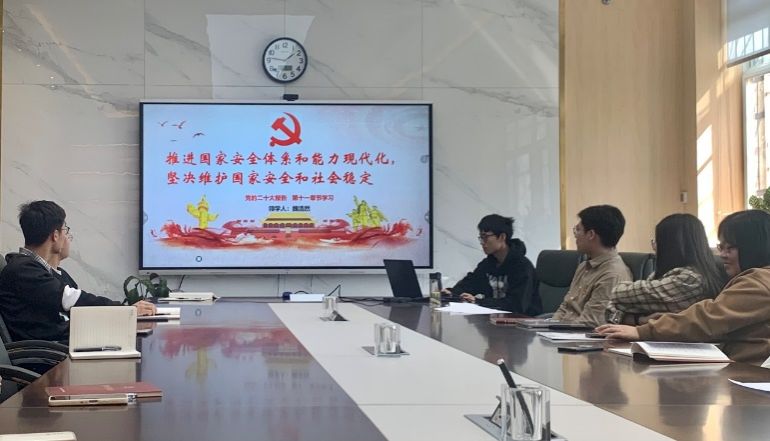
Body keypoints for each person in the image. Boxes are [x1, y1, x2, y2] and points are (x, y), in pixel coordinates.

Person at [597, 210, 770, 365]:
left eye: (729, 248)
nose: (722, 255)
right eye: (721, 247)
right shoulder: (755, 278)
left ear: (754, 246)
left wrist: (642, 330)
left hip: (748, 373)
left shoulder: (758, 282)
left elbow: (709, 318)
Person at [0, 200, 156, 342]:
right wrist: (126, 311)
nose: (68, 238)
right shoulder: (21, 270)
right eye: (65, 231)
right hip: (50, 354)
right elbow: (71, 300)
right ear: (55, 235)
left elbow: (81, 308)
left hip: (67, 343)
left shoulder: (44, 271)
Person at [605, 213, 727, 324]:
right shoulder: (660, 275)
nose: (654, 248)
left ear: (671, 246)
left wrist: (628, 316)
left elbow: (615, 294)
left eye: (657, 242)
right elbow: (609, 310)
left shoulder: (690, 279)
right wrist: (639, 320)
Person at [552, 205, 632, 327]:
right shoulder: (584, 266)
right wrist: (547, 327)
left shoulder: (612, 274)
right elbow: (565, 307)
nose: (575, 235)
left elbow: (591, 323)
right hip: (564, 332)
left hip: (581, 335)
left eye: (578, 230)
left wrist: (555, 330)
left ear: (591, 234)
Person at [447, 214, 541, 315]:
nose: (482, 242)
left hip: (522, 321)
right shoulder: (488, 264)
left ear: (502, 237)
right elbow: (470, 283)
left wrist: (479, 302)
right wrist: (452, 293)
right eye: (481, 238)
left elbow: (516, 304)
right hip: (494, 319)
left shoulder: (522, 266)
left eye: (485, 237)